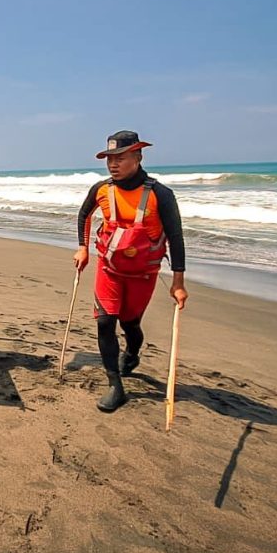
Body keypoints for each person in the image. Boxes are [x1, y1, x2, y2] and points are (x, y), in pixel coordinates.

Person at [74, 131, 188, 413]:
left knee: (130, 325)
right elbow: (84, 215)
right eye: (109, 158)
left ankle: (132, 353)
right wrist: (83, 248)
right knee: (104, 322)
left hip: (142, 276)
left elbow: (176, 237)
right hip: (109, 270)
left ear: (138, 157)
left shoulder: (160, 194)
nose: (113, 164)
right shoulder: (101, 189)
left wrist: (178, 283)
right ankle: (115, 384)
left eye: (120, 158)